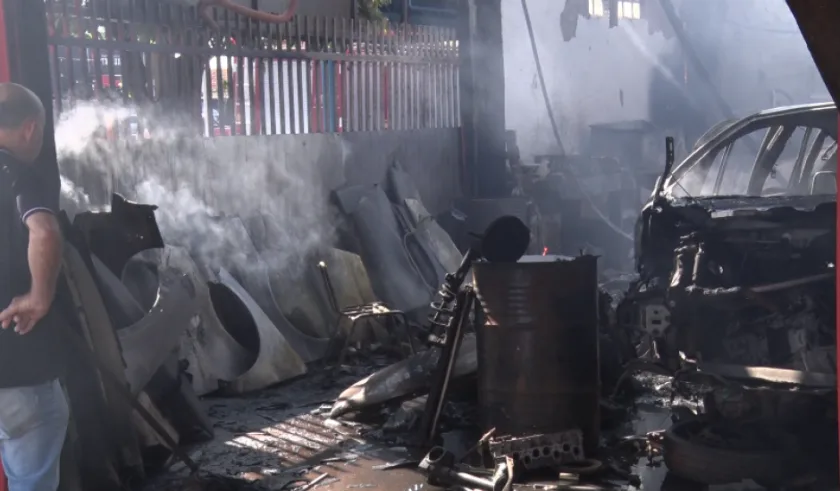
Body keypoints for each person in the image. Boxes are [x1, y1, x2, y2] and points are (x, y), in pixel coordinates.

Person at [0, 83, 67, 491]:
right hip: (17, 367)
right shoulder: (18, 174)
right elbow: (44, 231)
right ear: (30, 129)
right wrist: (40, 296)